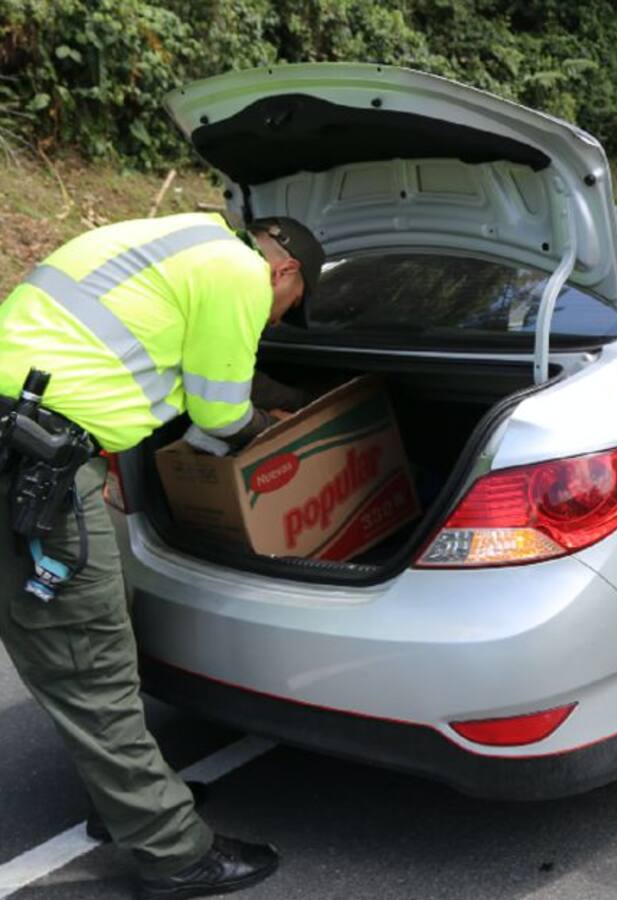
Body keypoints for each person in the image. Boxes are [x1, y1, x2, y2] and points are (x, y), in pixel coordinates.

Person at [0, 211, 323, 898]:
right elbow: (220, 414)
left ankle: (131, 804)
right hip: (30, 462)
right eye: (287, 309)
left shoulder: (169, 241)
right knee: (90, 662)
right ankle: (173, 852)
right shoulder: (240, 274)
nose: (274, 323)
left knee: (86, 640)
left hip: (29, 439)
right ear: (285, 271)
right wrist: (282, 433)